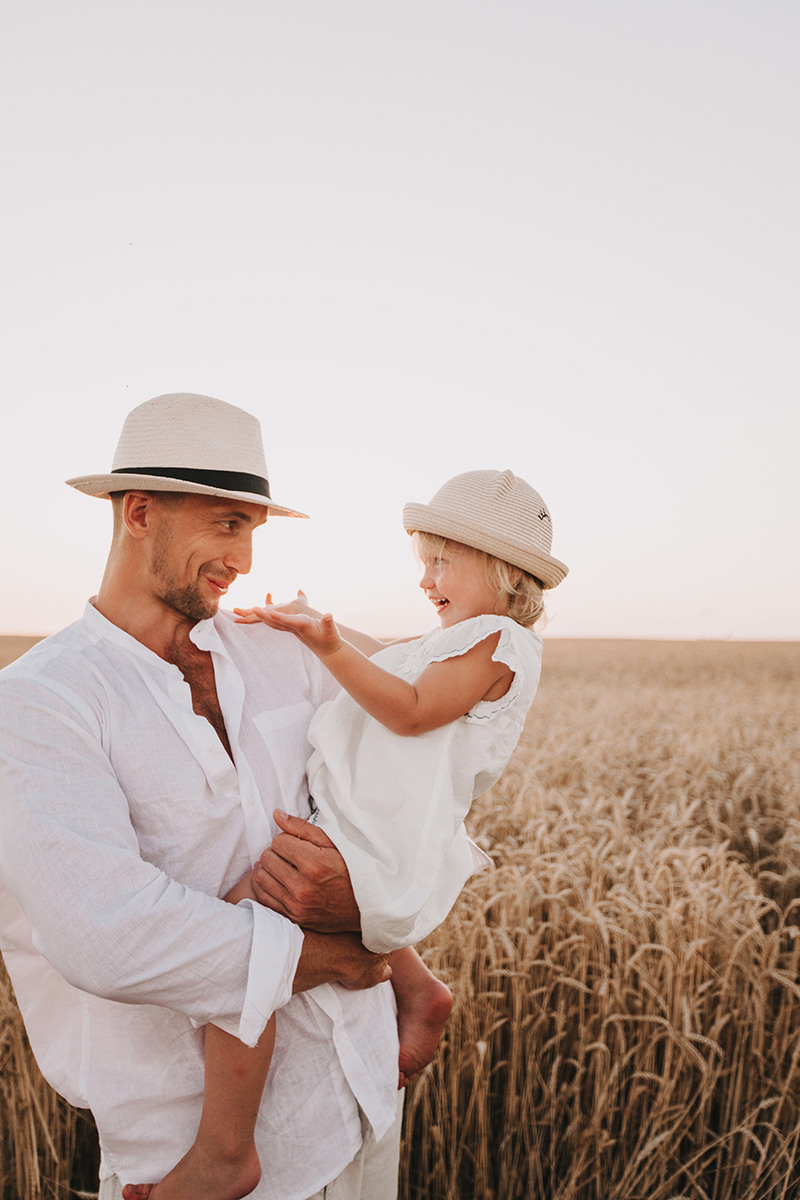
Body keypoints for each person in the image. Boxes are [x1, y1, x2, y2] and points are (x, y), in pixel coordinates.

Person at [0, 392, 418, 1200]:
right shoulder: (38, 704)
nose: (245, 560)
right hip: (189, 1159)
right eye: (228, 524)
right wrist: (342, 953)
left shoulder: (282, 651)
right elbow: (108, 934)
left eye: (253, 529)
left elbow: (398, 782)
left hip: (365, 1098)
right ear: (140, 512)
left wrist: (370, 909)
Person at [134, 468, 569, 1200]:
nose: (426, 579)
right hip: (363, 820)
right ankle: (419, 988)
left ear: (501, 569)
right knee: (254, 924)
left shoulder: (499, 644)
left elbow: (410, 709)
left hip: (377, 834)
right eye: (425, 562)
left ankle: (225, 1150)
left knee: (240, 937)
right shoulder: (467, 638)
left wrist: (327, 645)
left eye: (442, 562)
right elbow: (397, 668)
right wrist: (312, 621)